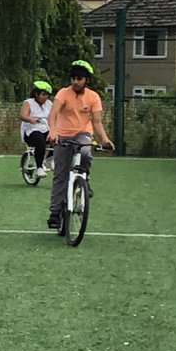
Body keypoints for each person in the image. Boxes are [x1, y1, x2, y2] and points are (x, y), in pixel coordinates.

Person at [46, 60, 114, 228]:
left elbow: (96, 122)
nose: (75, 82)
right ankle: (55, 212)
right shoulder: (63, 93)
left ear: (87, 80)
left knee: (85, 152)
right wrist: (53, 131)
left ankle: (85, 179)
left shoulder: (93, 97)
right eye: (73, 78)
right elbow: (53, 114)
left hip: (82, 133)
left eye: (79, 78)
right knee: (60, 175)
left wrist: (105, 139)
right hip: (62, 135)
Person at [20, 80, 53, 178]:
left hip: (44, 129)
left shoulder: (49, 103)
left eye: (47, 95)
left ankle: (50, 158)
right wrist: (30, 119)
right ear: (36, 94)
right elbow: (22, 115)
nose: (45, 97)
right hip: (30, 131)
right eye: (43, 94)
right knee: (40, 140)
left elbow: (52, 117)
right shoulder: (28, 103)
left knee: (57, 137)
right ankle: (39, 168)